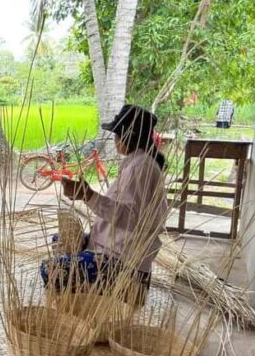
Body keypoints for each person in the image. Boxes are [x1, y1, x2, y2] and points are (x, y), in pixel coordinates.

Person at [41, 104, 168, 296]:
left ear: (126, 137)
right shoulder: (137, 162)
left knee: (51, 269)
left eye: (116, 135)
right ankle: (77, 302)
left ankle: (84, 310)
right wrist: (85, 194)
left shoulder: (140, 168)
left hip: (123, 263)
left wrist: (87, 195)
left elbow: (132, 217)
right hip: (114, 247)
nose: (115, 140)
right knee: (62, 241)